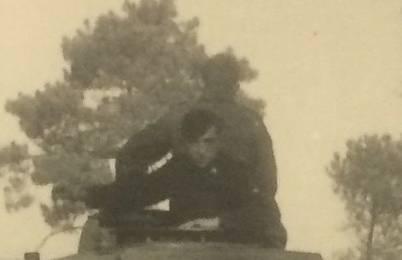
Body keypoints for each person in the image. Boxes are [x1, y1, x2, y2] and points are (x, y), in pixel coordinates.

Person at [86, 108, 287, 248]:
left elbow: (267, 213)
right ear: (185, 143)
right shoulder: (181, 168)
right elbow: (141, 191)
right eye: (193, 143)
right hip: (187, 249)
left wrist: (216, 222)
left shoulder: (234, 172)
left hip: (228, 251)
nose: (200, 151)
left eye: (207, 142)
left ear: (219, 141)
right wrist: (88, 195)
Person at [115, 52, 279, 199]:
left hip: (184, 225)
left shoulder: (178, 116)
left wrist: (135, 205)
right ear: (236, 86)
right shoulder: (252, 123)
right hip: (237, 227)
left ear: (203, 82)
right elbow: (268, 184)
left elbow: (129, 155)